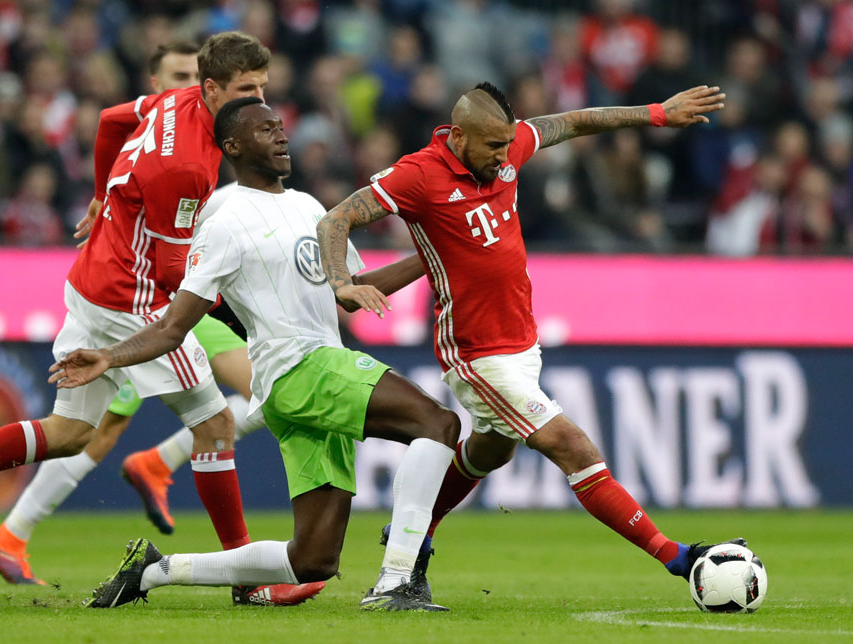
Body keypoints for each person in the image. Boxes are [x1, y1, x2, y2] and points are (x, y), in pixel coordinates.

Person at [0, 31, 323, 607]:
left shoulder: (172, 101)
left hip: (93, 278)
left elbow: (110, 121)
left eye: (262, 88)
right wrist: (239, 299)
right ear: (211, 89)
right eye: (245, 90)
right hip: (130, 295)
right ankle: (248, 578)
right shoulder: (186, 166)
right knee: (214, 425)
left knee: (70, 433)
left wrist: (98, 195)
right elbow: (172, 270)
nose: (258, 100)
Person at [316, 82, 745, 601]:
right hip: (476, 353)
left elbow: (577, 121)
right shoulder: (418, 174)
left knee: (489, 451)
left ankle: (416, 533)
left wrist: (656, 112)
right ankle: (679, 558)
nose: (505, 157)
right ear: (458, 136)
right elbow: (336, 218)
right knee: (572, 446)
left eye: (507, 145)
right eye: (493, 146)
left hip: (522, 343)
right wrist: (342, 282)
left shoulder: (508, 145)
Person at [50, 97, 461, 612]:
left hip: (309, 376)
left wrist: (429, 256)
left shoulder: (310, 207)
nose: (282, 136)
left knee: (313, 560)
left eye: (281, 127)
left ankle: (154, 570)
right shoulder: (224, 222)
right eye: (266, 130)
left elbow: (350, 289)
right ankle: (397, 581)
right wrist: (110, 356)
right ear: (234, 146)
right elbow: (175, 326)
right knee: (438, 424)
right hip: (299, 369)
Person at [0, 39, 262, 589]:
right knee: (103, 428)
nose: (187, 85)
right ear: (159, 83)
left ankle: (20, 529)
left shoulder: (207, 141)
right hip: (153, 298)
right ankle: (19, 529)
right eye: (178, 76)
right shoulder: (170, 138)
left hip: (175, 295)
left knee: (112, 425)